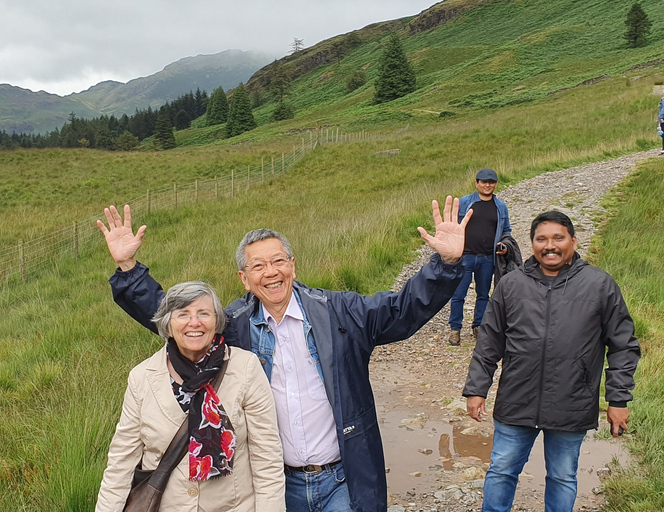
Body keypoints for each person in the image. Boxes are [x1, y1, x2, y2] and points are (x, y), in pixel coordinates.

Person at [96, 197, 470, 512]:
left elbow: (401, 311)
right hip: (276, 484)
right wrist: (128, 269)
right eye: (257, 266)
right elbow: (180, 318)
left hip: (345, 477)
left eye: (278, 261)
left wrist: (446, 265)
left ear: (292, 265)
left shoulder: (342, 312)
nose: (270, 273)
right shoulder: (235, 326)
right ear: (244, 278)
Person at [463, 211, 641, 512]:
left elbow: (623, 346)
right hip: (517, 400)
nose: (550, 246)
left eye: (558, 238)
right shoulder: (511, 285)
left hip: (572, 402)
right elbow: (490, 341)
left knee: (562, 476)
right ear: (532, 243)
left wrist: (618, 399)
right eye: (541, 239)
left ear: (573, 240)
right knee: (502, 471)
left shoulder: (600, 286)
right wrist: (477, 389)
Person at [95, 281, 285, 511]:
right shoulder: (142, 377)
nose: (194, 323)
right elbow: (120, 464)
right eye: (183, 314)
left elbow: (267, 460)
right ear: (167, 325)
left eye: (204, 313)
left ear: (216, 322)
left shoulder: (246, 367)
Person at [448, 168, 512, 346]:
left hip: (488, 258)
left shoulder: (500, 207)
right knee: (458, 294)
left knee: (483, 294)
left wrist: (505, 246)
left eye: (491, 182)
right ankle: (455, 329)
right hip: (465, 257)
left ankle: (479, 327)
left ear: (496, 184)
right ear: (477, 183)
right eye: (483, 182)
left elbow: (506, 230)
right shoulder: (465, 202)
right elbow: (452, 225)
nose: (487, 185)